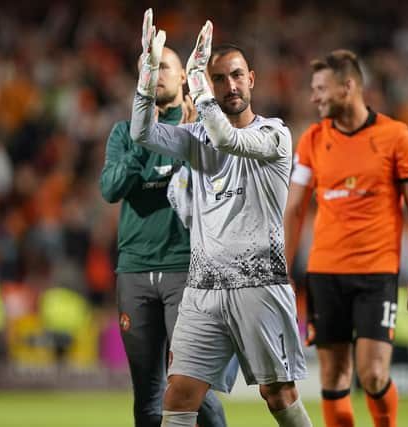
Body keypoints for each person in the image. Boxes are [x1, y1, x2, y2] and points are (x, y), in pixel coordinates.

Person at [129, 10, 312, 427]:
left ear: (252, 79)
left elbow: (228, 138)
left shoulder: (274, 135)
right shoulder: (195, 138)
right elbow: (143, 133)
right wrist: (149, 72)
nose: (229, 85)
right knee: (178, 395)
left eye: (236, 76)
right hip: (203, 288)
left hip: (259, 285)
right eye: (218, 78)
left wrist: (197, 83)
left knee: (277, 394)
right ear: (208, 86)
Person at [284, 49, 408, 427]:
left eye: (321, 88)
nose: (313, 97)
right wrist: (281, 267)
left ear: (348, 86)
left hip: (376, 274)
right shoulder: (312, 140)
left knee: (373, 375)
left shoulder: (396, 137)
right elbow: (294, 208)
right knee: (333, 377)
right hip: (324, 272)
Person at [100, 27, 237, 427]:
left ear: (183, 77)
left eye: (165, 66)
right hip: (135, 270)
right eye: (149, 67)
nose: (156, 73)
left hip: (186, 269)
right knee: (147, 392)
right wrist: (144, 136)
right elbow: (110, 189)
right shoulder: (126, 133)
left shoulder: (200, 131)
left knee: (192, 386)